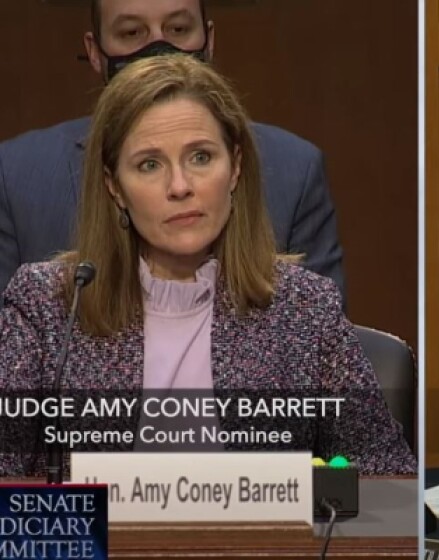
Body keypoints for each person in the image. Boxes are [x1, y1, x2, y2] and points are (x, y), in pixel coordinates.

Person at [0, 54, 415, 476]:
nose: (180, 187)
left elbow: (387, 477)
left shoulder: (306, 308)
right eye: (149, 164)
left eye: (200, 157)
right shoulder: (48, 307)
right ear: (115, 187)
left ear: (235, 167)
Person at [0, 0, 344, 302]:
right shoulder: (16, 175)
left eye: (178, 29)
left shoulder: (294, 169)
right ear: (95, 51)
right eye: (132, 33)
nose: (158, 50)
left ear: (209, 41)